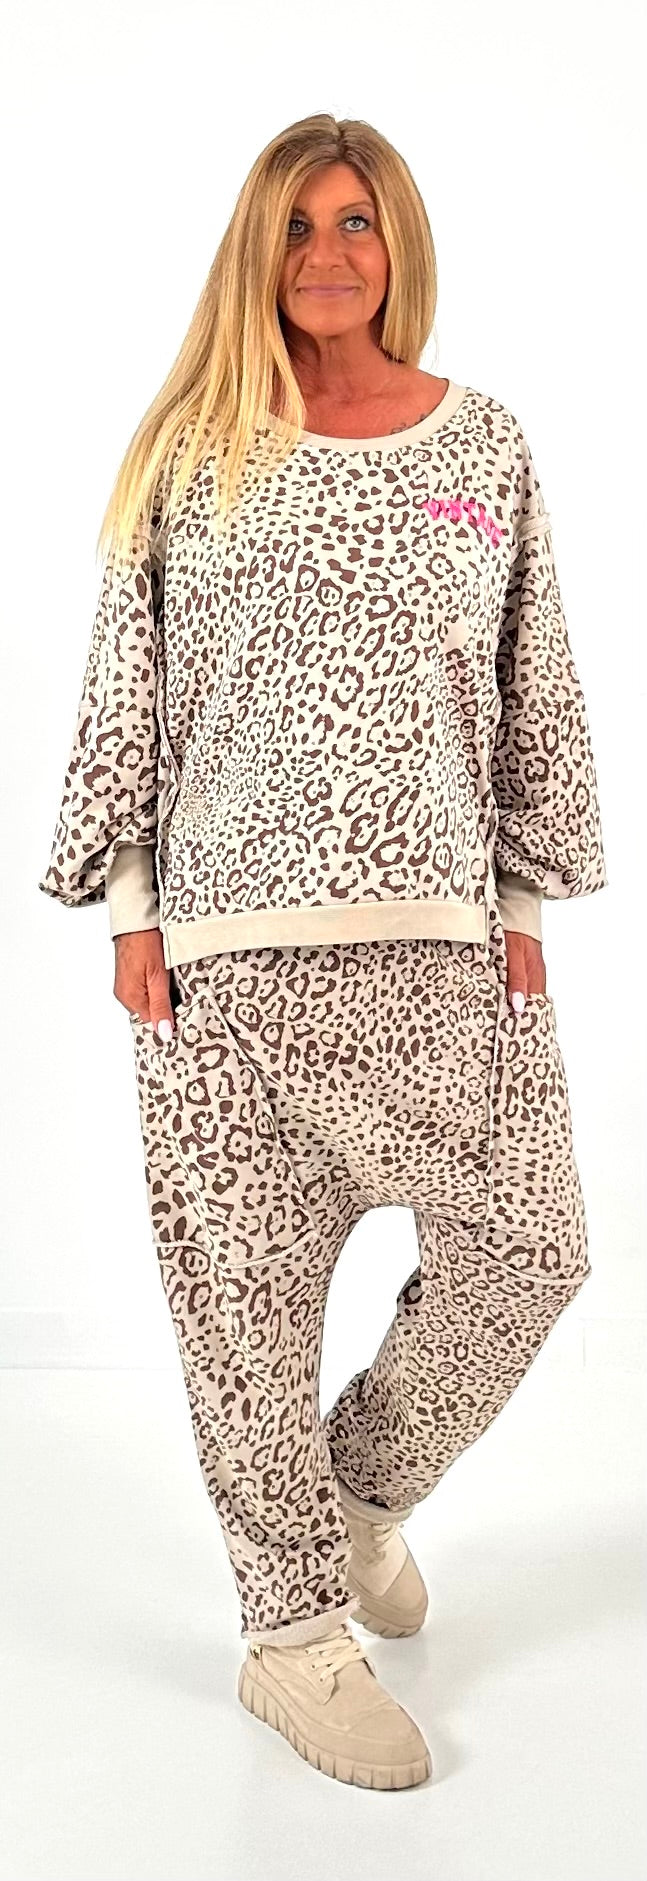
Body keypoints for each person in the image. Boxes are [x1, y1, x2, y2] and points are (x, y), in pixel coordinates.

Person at [38, 113, 608, 1792]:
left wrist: (522, 909)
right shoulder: (191, 451)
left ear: (397, 240)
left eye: (356, 221)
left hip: (441, 950)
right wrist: (132, 907)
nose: (330, 254)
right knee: (242, 1310)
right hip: (225, 965)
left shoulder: (484, 443)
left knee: (534, 1246)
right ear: (258, 253)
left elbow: (533, 681)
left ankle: (359, 1489)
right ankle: (290, 1637)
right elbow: (130, 678)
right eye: (296, 226)